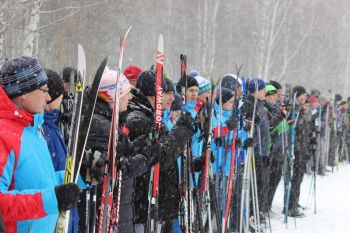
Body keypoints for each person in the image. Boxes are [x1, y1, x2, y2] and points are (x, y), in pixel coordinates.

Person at [0, 56, 80, 232]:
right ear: (23, 93)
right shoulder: (4, 135)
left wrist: (80, 176)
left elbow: (42, 183)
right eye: (44, 90)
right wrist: (52, 200)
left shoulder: (33, 128)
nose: (49, 97)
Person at [117, 69, 197, 232]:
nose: (172, 97)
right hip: (143, 206)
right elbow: (160, 156)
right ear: (154, 95)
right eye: (167, 93)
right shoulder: (138, 119)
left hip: (157, 203)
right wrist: (182, 130)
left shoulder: (150, 116)